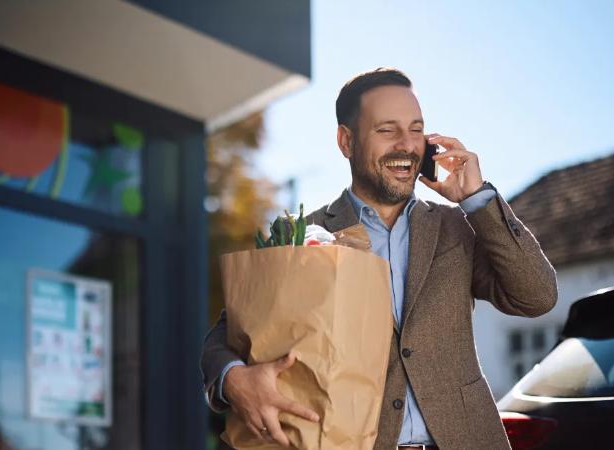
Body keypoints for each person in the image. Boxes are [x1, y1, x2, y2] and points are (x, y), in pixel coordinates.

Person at [200, 67, 558, 450]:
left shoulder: (458, 227)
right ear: (346, 141)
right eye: (387, 130)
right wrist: (234, 380)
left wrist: (478, 198)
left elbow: (536, 296)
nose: (406, 144)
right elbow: (224, 337)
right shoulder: (301, 234)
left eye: (416, 129)